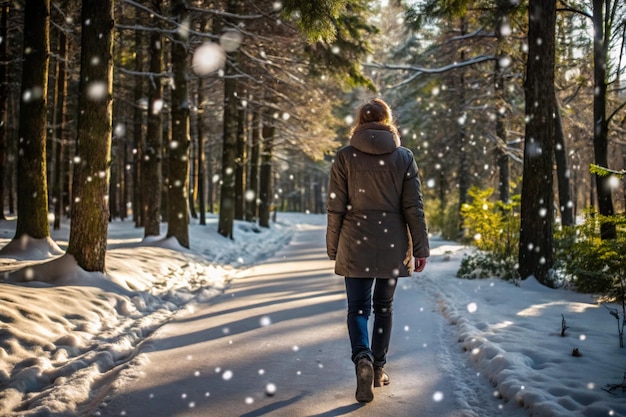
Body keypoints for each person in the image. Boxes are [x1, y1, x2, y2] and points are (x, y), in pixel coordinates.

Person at [326, 98, 429, 403]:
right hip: (392, 242)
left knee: (358, 308)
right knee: (383, 308)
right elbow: (413, 206)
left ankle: (362, 358)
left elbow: (335, 207)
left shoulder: (344, 157)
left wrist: (334, 247)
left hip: (355, 239)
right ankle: (380, 367)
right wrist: (420, 248)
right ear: (387, 121)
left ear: (359, 122)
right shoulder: (404, 157)